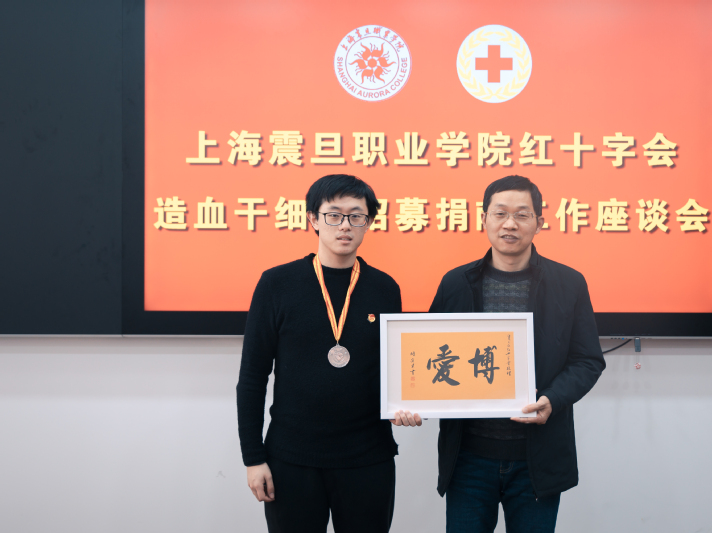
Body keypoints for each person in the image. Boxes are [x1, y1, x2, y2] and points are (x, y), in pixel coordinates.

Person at [236, 174, 421, 533]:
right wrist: (253, 457)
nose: (345, 225)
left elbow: (394, 369)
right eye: (334, 215)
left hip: (368, 458)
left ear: (369, 222)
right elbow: (253, 377)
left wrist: (407, 404)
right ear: (313, 219)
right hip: (291, 459)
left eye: (356, 216)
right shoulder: (276, 284)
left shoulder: (385, 288)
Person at [428, 175, 605, 533]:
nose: (510, 224)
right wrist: (410, 400)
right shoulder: (455, 283)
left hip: (536, 459)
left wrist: (552, 399)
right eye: (500, 214)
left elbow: (588, 360)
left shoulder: (569, 283)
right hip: (468, 459)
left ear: (539, 222)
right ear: (484, 219)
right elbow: (429, 351)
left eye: (522, 215)